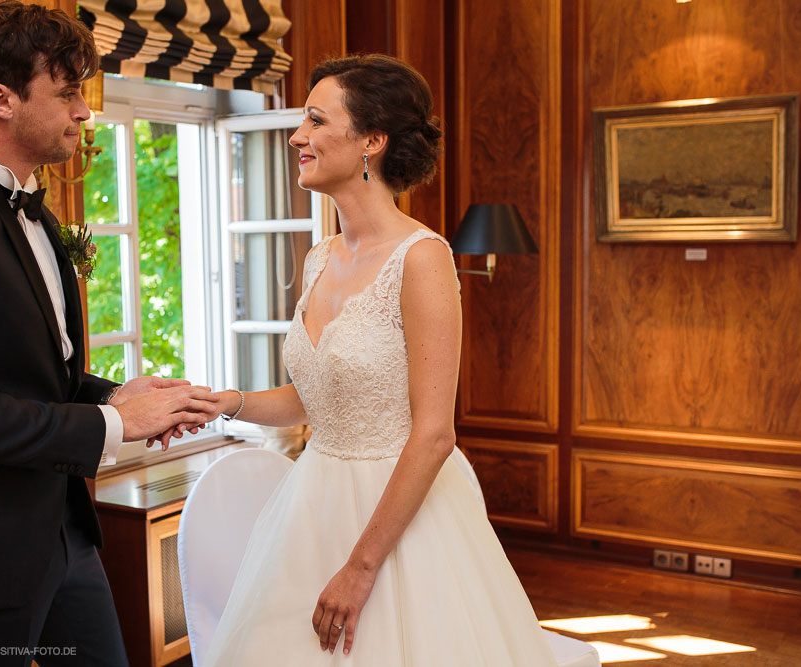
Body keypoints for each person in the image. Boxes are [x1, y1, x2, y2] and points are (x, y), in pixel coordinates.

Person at [0, 3, 220, 664]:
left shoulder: (38, 213)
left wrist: (121, 397)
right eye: (66, 95)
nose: (84, 113)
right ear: (0, 99)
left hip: (64, 533)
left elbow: (40, 374)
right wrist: (114, 426)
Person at [202, 54, 557, 665]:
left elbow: (435, 433)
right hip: (311, 509)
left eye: (315, 119)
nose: (296, 136)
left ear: (371, 140)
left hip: (401, 518)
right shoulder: (318, 258)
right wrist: (222, 404)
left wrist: (361, 568)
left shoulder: (423, 259)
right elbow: (315, 397)